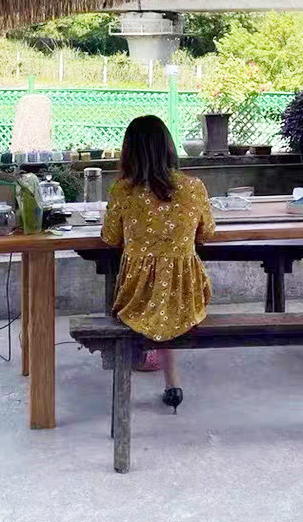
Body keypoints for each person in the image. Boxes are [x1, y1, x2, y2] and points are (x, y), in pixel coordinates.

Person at [101, 115, 215, 412]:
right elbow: (207, 233)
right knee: (165, 297)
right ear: (168, 147)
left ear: (129, 151)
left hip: (136, 295)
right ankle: (171, 381)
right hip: (186, 295)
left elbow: (110, 238)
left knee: (154, 295)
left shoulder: (122, 190)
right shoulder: (193, 187)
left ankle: (147, 361)